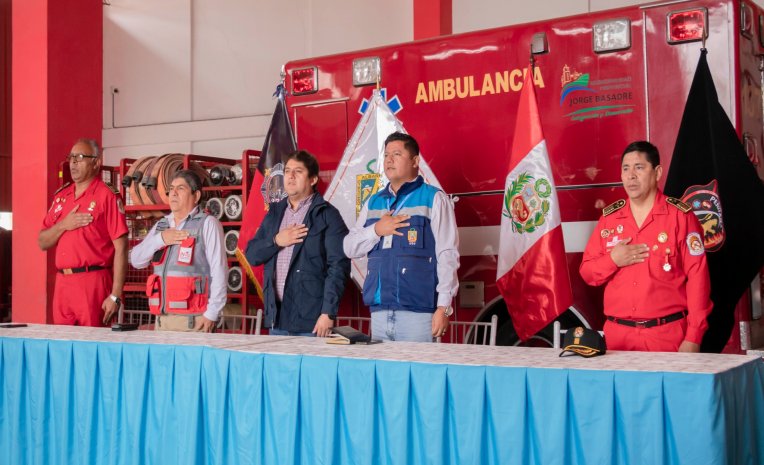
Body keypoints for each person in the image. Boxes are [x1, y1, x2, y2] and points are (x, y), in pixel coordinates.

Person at [580, 141, 712, 352]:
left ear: (657, 172)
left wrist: (694, 337)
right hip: (618, 338)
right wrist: (613, 260)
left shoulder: (680, 217)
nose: (631, 175)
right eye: (626, 168)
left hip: (666, 336)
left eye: (639, 167)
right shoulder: (609, 220)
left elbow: (698, 277)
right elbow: (587, 272)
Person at [343, 132, 459, 342]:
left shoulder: (434, 198)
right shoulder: (374, 202)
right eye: (386, 155)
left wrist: (443, 307)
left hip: (418, 313)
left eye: (396, 154)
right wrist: (376, 229)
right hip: (379, 311)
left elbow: (447, 254)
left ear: (415, 161)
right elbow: (349, 247)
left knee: (418, 365)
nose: (389, 160)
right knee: (382, 365)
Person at [245, 150, 349, 336]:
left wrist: (328, 313)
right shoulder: (275, 213)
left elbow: (338, 266)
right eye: (287, 171)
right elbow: (252, 255)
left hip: (311, 322)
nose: (291, 176)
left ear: (313, 179)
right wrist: (277, 241)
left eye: (298, 171)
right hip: (277, 319)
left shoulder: (327, 215)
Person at [38, 138, 128, 327]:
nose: (73, 162)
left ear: (96, 162)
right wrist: (63, 225)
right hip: (63, 283)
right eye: (71, 157)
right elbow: (42, 241)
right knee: (62, 341)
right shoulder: (61, 196)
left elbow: (121, 247)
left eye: (79, 157)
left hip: (93, 281)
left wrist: (115, 295)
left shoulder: (106, 195)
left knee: (91, 341)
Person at [130, 170, 227, 332]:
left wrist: (212, 313)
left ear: (196, 196)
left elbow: (219, 271)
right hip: (162, 321)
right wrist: (160, 239)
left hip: (194, 320)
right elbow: (136, 260)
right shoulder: (162, 225)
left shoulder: (207, 224)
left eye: (180, 188)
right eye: (171, 189)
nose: (173, 193)